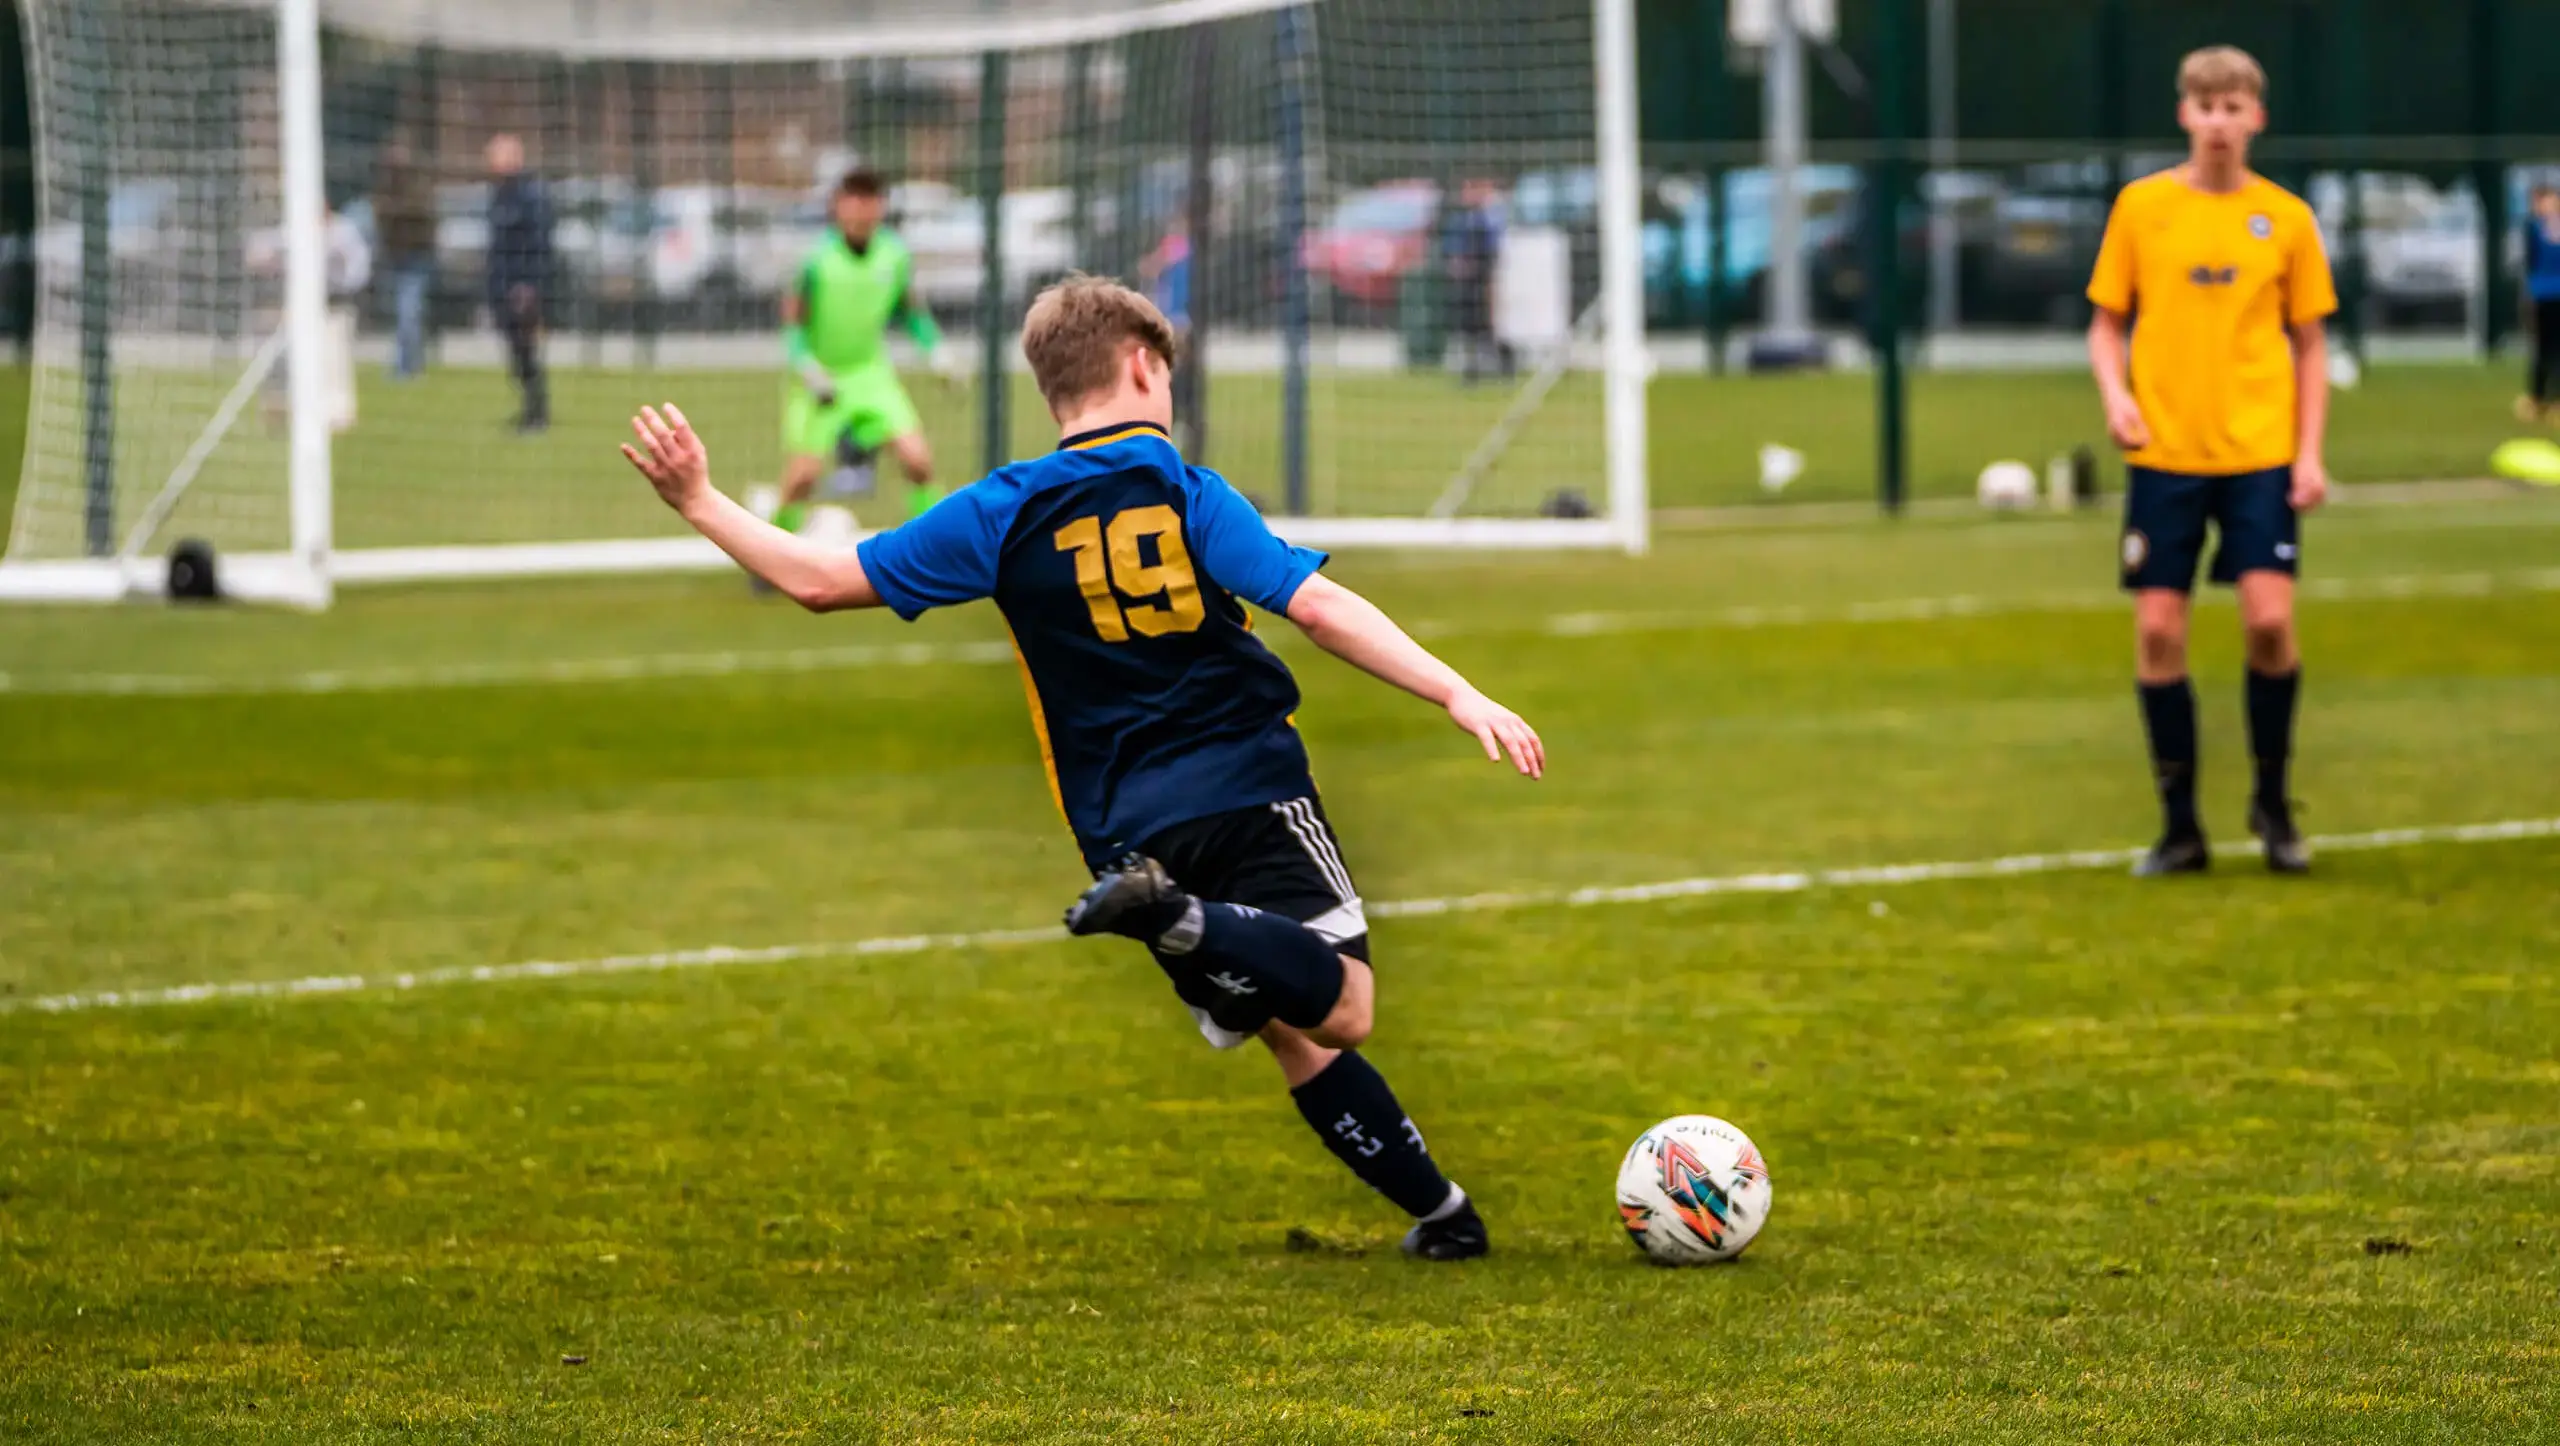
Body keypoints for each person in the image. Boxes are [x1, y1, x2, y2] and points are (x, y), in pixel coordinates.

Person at [620, 275, 1545, 1260]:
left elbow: (814, 580)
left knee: (1290, 1032)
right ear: (1143, 365)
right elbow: (1312, 605)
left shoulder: (999, 511)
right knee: (1345, 1007)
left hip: (1124, 829)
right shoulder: (1182, 488)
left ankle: (1443, 1219)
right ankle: (1184, 919)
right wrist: (1454, 690)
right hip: (1248, 787)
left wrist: (699, 499)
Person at [2086, 46, 2335, 877]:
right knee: (2158, 631)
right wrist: (2116, 397)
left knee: (2268, 622)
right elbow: (2105, 323)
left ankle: (2272, 799)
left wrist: (2309, 453)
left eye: (2235, 107)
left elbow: (2309, 344)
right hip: (2165, 456)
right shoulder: (2141, 208)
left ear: (2256, 118)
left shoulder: (2288, 220)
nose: (2220, 122)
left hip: (2260, 454)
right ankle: (2180, 825)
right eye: (2206, 107)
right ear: (2184, 114)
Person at [774, 168, 948, 530]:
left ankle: (935, 543)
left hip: (870, 373)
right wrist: (806, 366)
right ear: (837, 207)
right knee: (803, 476)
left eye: (870, 202)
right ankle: (774, 544)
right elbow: (793, 324)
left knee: (917, 460)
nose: (862, 211)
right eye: (853, 201)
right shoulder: (816, 260)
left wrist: (935, 352)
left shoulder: (894, 255)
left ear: (881, 207)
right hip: (821, 376)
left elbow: (912, 311)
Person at [484, 133, 553, 434]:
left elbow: (538, 244)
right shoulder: (500, 194)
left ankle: (537, 413)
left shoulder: (529, 195)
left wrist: (529, 285)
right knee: (516, 354)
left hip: (521, 289)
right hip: (502, 287)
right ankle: (529, 410)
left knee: (527, 351)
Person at [373, 135, 438, 381]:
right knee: (405, 313)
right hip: (395, 257)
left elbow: (419, 212)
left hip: (416, 258)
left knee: (408, 312)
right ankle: (412, 363)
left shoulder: (417, 185)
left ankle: (404, 368)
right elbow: (380, 213)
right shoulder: (385, 185)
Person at [2521, 183, 2560, 421]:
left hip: (2550, 294)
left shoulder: (2538, 227)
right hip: (2542, 294)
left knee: (2554, 350)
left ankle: (2553, 400)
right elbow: (2530, 261)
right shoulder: (2534, 227)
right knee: (2543, 349)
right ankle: (2537, 399)